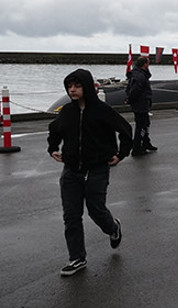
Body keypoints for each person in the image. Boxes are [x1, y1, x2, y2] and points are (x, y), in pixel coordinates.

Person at [47, 69, 132, 277]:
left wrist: (121, 154)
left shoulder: (102, 110)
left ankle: (113, 228)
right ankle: (77, 258)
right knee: (71, 216)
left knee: (96, 210)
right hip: (71, 171)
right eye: (69, 86)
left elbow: (125, 130)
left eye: (77, 86)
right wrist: (53, 148)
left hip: (97, 169)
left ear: (86, 87)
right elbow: (54, 129)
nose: (72, 90)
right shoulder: (67, 111)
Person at [126, 56, 157, 156]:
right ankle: (137, 148)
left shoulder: (139, 74)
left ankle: (146, 143)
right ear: (145, 64)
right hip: (140, 104)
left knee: (145, 123)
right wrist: (130, 99)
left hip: (142, 103)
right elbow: (135, 90)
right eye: (148, 63)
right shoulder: (140, 76)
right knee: (141, 126)